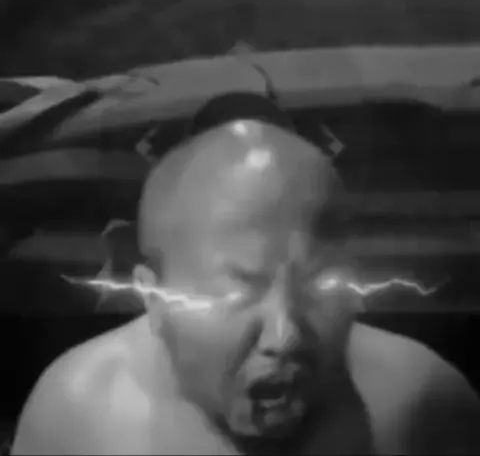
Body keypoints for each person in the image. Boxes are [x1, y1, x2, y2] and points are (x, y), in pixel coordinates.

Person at [12, 107, 480, 455]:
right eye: (239, 290)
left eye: (317, 284)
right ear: (153, 299)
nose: (285, 335)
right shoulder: (78, 413)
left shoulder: (422, 402)